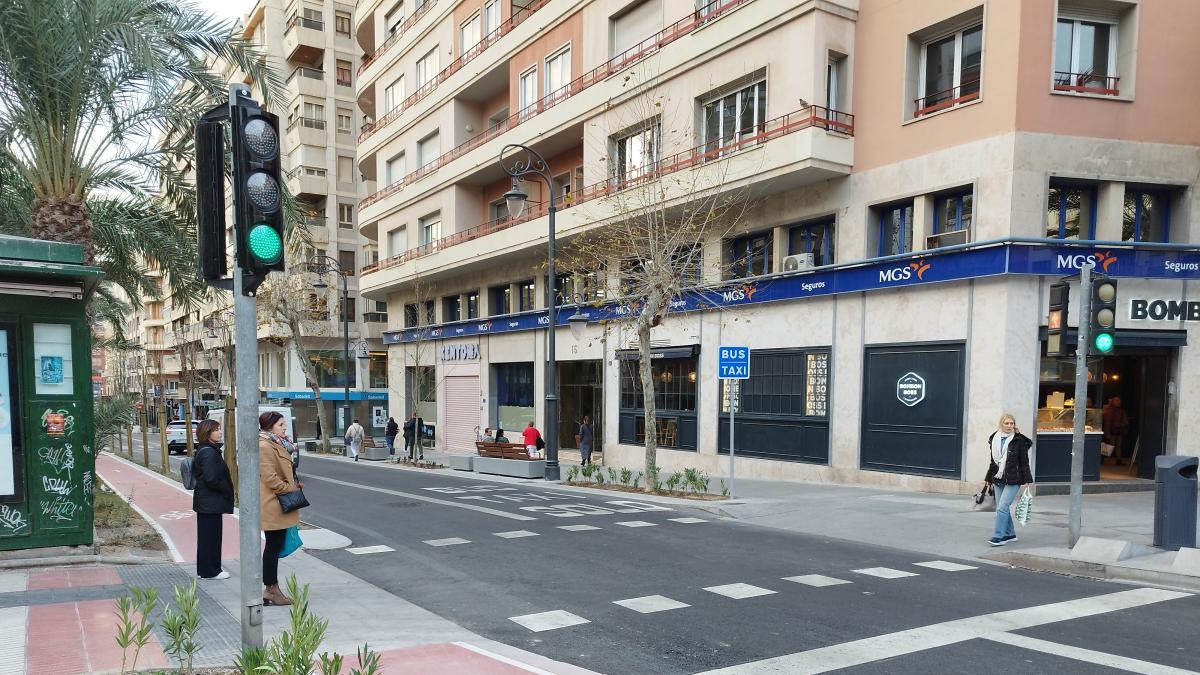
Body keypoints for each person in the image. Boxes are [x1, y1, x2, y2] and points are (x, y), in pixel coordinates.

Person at [259, 411, 302, 606]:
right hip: (273, 503)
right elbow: (269, 477)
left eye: (284, 424)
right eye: (281, 425)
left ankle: (271, 588)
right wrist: (289, 488)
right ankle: (271, 589)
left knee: (274, 546)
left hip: (277, 501)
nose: (285, 427)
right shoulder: (265, 445)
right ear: (270, 427)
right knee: (272, 546)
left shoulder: (276, 443)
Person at [192, 419, 233, 580]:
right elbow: (211, 479)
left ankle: (206, 569)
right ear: (208, 433)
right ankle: (211, 571)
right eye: (216, 430)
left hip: (206, 502)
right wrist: (225, 488)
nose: (220, 432)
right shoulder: (209, 452)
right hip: (210, 502)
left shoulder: (206, 449)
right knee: (211, 537)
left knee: (207, 537)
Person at [985, 413, 1033, 547]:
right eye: (1007, 423)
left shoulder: (1019, 440)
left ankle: (999, 536)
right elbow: (993, 462)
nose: (1009, 426)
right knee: (1002, 508)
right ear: (1001, 424)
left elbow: (1024, 462)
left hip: (1014, 478)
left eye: (1012, 423)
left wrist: (1028, 478)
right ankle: (1010, 534)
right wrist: (988, 478)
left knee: (1002, 507)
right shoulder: (994, 438)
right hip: (998, 477)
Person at [1102, 397, 1129, 465]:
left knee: (1118, 446)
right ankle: (1102, 459)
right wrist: (1107, 432)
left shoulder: (1121, 411)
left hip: (1119, 431)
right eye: (1117, 401)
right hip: (1112, 430)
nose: (1119, 402)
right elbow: (1107, 422)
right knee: (1110, 445)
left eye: (1119, 400)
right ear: (1113, 402)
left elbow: (1125, 421)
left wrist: (1123, 426)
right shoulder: (1109, 410)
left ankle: (1118, 460)